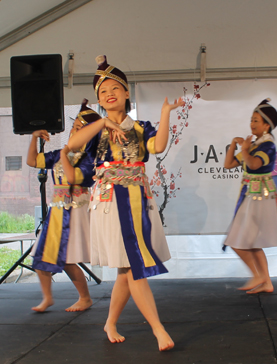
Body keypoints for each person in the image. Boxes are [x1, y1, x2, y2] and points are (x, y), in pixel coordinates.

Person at [67, 55, 184, 351]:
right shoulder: (95, 126)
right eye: (103, 91)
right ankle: (158, 329)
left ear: (127, 92)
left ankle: (110, 322)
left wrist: (166, 112)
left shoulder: (141, 126)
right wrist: (103, 121)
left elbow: (157, 147)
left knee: (125, 269)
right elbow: (72, 145)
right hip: (109, 203)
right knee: (132, 267)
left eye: (114, 88)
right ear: (99, 100)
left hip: (137, 200)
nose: (109, 94)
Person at [27, 99, 100, 313]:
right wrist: (33, 138)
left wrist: (64, 155)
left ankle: (85, 298)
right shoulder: (61, 153)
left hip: (76, 211)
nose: (75, 130)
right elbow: (32, 161)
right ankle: (47, 297)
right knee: (40, 256)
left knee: (68, 260)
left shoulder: (90, 159)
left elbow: (75, 176)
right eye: (75, 126)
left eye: (81, 128)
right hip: (57, 211)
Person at [223, 99, 277, 294]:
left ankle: (258, 275)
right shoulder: (256, 144)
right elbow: (229, 165)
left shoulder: (267, 145)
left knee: (237, 240)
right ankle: (266, 282)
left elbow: (254, 165)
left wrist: (244, 149)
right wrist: (234, 144)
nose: (252, 124)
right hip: (252, 196)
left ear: (267, 125)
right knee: (251, 242)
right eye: (251, 119)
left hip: (259, 196)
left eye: (256, 120)